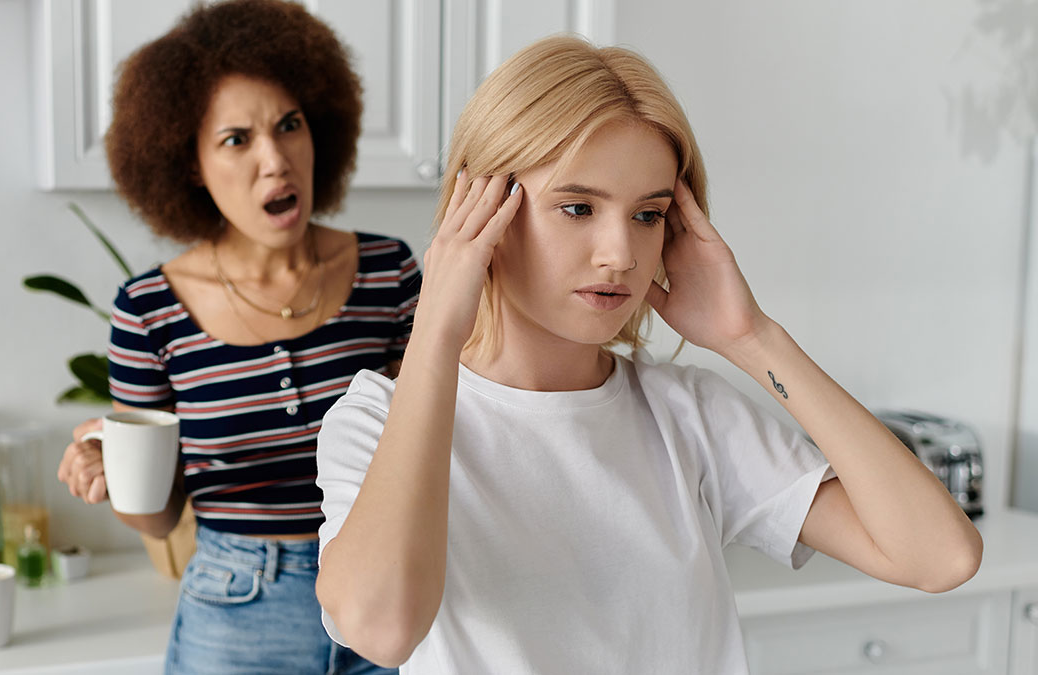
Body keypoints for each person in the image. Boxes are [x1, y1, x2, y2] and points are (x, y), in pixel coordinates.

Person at [312, 35, 983, 673]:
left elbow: (940, 557)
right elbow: (383, 627)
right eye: (577, 207)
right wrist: (436, 330)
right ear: (481, 208)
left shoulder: (688, 412)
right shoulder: (376, 419)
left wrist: (753, 337)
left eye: (647, 214)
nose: (621, 254)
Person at [55, 2, 416, 673]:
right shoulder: (149, 310)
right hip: (238, 611)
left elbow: (434, 442)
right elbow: (160, 522)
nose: (276, 160)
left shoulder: (390, 272)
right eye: (236, 140)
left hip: (384, 599)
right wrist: (114, 471)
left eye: (290, 125)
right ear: (189, 163)